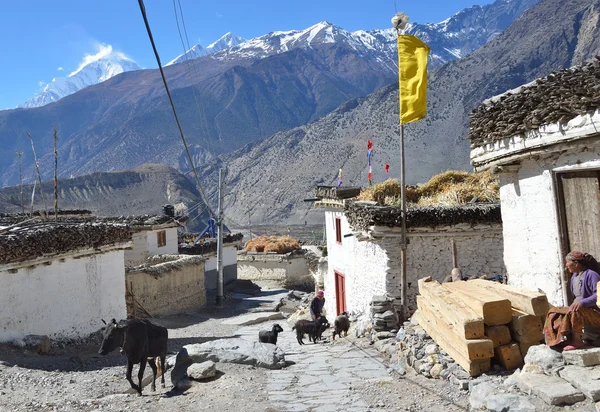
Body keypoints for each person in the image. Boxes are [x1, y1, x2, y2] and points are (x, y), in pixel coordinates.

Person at [544, 251, 600, 351]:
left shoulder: (592, 275)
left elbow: (598, 295)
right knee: (554, 311)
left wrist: (582, 302)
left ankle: (577, 341)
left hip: (594, 313)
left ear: (576, 263)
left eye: (567, 262)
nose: (566, 265)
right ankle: (557, 340)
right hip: (581, 310)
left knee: (575, 310)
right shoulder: (574, 277)